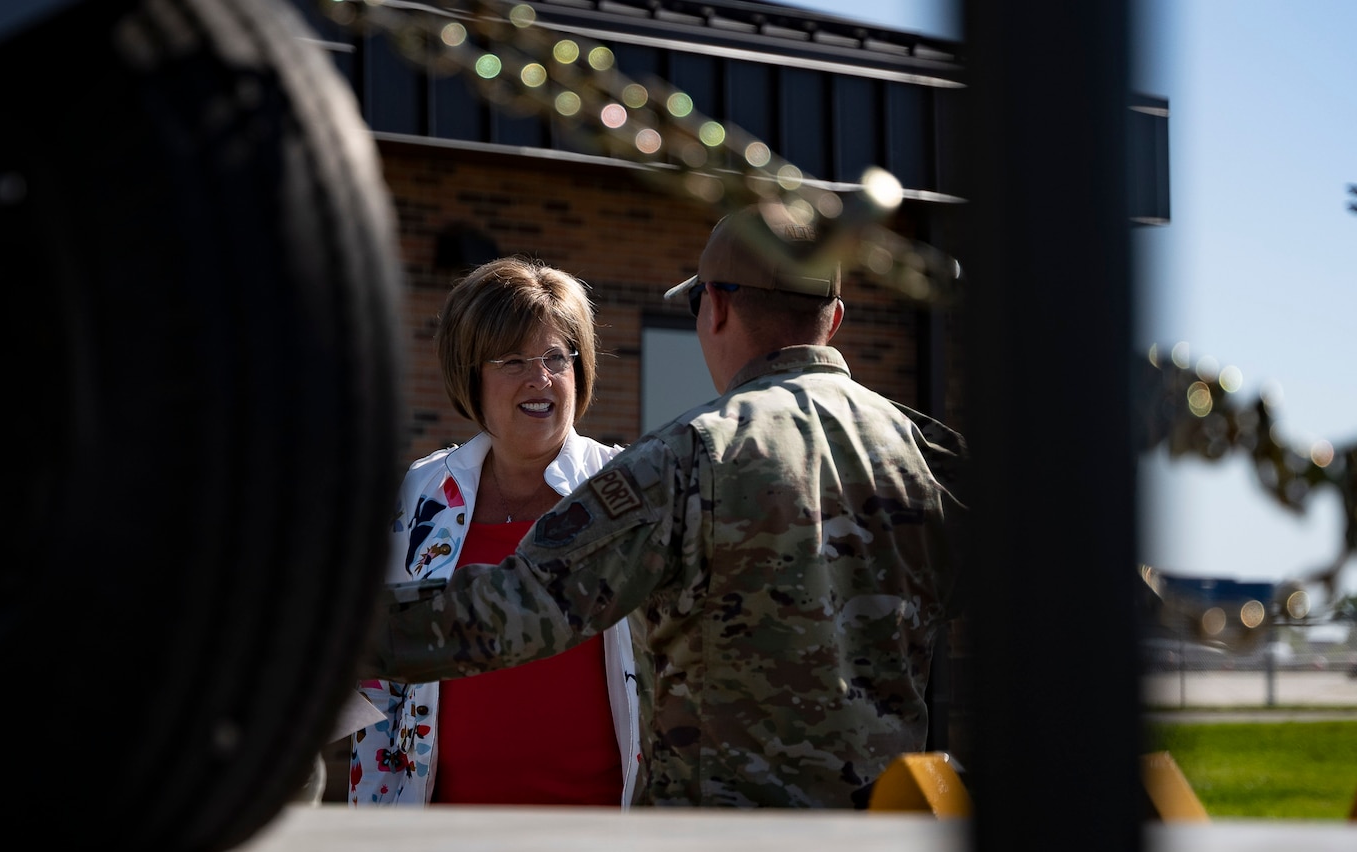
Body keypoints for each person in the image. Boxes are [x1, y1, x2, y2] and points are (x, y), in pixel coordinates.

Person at [363, 205, 965, 808]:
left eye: (554, 358)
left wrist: (320, 635)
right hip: (878, 846)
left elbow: (520, 606)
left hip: (714, 847)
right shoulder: (928, 454)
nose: (540, 378)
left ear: (717, 309)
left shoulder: (686, 457)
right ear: (832, 319)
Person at [351, 258, 642, 807]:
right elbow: (380, 672)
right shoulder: (421, 493)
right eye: (512, 360)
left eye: (556, 357)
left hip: (604, 834)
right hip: (446, 836)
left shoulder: (626, 489)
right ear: (470, 376)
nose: (541, 378)